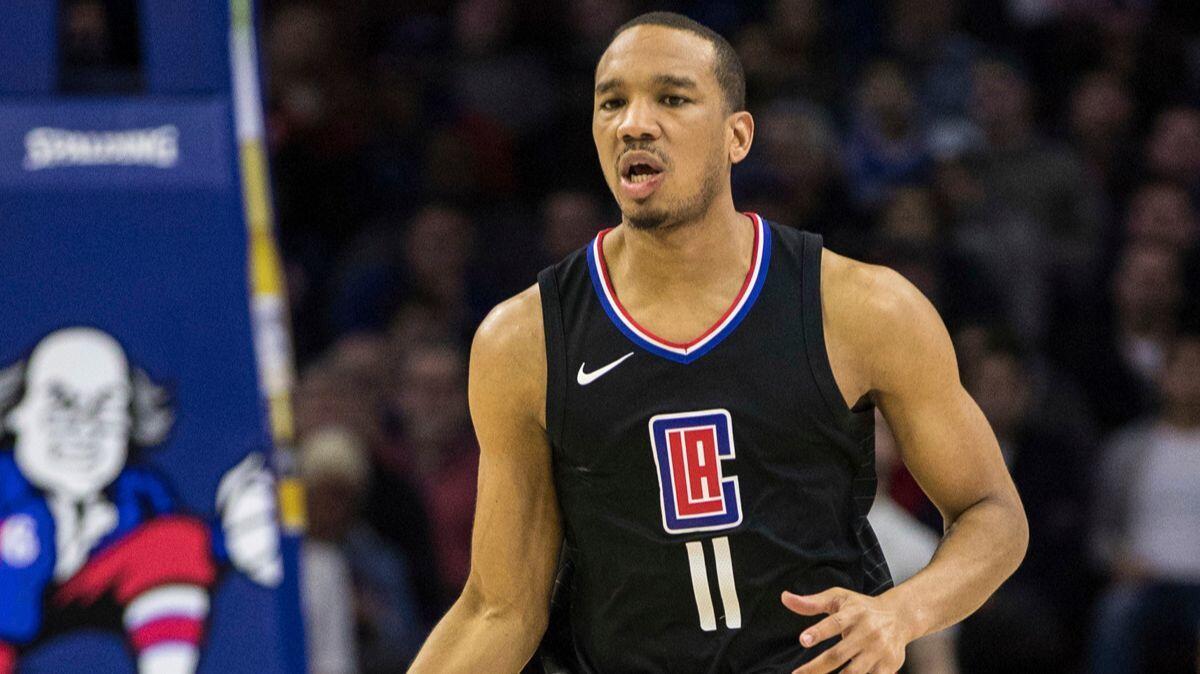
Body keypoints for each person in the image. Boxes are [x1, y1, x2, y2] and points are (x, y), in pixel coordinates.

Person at [410, 12, 1027, 674]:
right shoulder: (523, 340)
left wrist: (904, 611)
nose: (634, 123)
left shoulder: (861, 308)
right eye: (612, 102)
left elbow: (992, 514)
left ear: (738, 136)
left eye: (671, 98)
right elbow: (500, 609)